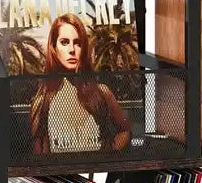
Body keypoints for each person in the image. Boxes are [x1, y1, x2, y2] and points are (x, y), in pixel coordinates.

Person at [29, 13, 131, 154]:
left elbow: (125, 130)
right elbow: (39, 152)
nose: (72, 49)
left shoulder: (101, 92)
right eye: (64, 42)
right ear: (54, 47)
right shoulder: (42, 101)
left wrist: (110, 151)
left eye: (77, 43)